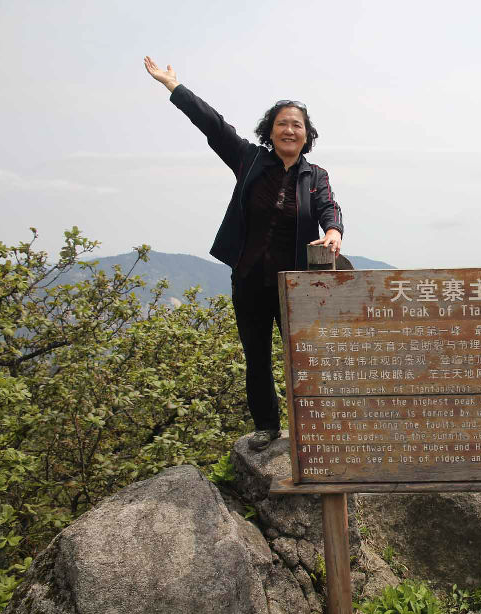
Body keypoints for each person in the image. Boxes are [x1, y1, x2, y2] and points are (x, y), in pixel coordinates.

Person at [144, 56, 343, 449]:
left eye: (297, 125)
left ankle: (312, 426)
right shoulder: (250, 159)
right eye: (282, 123)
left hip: (293, 284)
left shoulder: (315, 175)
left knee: (302, 356)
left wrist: (333, 231)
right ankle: (267, 425)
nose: (289, 130)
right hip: (249, 277)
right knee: (257, 356)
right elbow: (213, 125)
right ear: (270, 130)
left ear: (307, 135)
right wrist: (173, 86)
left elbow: (328, 207)